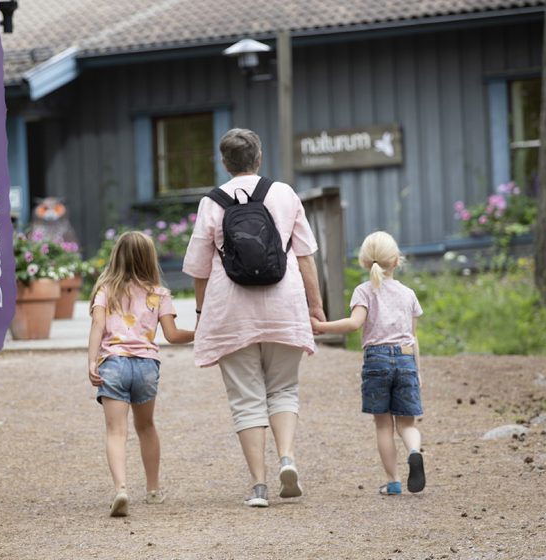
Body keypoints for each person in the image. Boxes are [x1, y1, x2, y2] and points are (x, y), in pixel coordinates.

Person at [182, 128, 324, 508]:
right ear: (259, 159)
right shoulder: (284, 194)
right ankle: (287, 458)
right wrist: (315, 306)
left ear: (224, 163)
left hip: (231, 310)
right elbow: (306, 255)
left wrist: (200, 315)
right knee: (284, 389)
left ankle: (259, 486)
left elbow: (198, 269)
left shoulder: (211, 203)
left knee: (246, 398)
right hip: (284, 303)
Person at [88, 231, 194, 517]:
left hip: (114, 363)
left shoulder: (105, 291)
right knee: (146, 427)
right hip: (147, 365)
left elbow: (98, 326)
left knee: (115, 431)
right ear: (150, 258)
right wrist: (201, 334)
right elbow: (171, 335)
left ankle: (121, 488)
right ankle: (153, 489)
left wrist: (91, 361)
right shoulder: (159, 294)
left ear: (116, 257)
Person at [311, 231, 426, 495]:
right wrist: (418, 371)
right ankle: (414, 451)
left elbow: (353, 324)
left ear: (364, 262)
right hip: (406, 359)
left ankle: (394, 481)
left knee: (383, 425)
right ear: (396, 261)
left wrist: (321, 326)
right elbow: (414, 336)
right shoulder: (408, 294)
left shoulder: (364, 291)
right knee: (407, 425)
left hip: (377, 360)